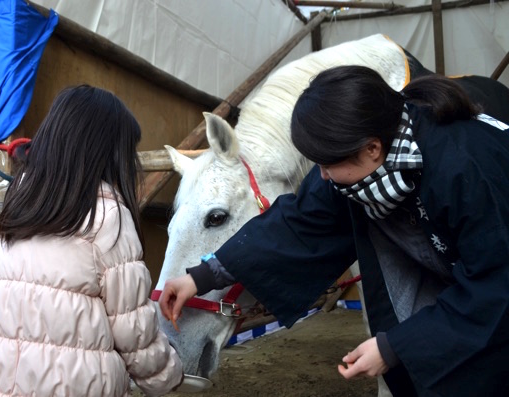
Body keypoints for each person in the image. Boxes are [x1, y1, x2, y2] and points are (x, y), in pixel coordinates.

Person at [159, 65, 509, 396]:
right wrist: (204, 275)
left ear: (372, 149)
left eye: (327, 165)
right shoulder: (362, 153)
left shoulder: (469, 169)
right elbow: (299, 223)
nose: (322, 175)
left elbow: (496, 286)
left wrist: (394, 346)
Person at [0, 85, 183, 396]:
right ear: (109, 154)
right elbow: (134, 332)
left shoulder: (21, 206)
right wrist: (168, 376)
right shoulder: (108, 218)